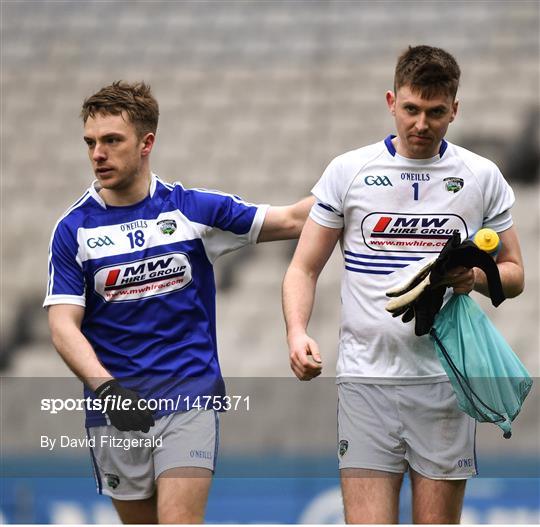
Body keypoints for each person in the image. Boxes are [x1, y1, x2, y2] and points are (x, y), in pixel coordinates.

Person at [44, 80, 313, 524]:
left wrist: (358, 186)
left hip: (188, 396)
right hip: (113, 407)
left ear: (147, 142)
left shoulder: (191, 211)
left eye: (112, 141)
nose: (98, 154)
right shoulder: (73, 230)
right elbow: (62, 326)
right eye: (91, 143)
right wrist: (108, 390)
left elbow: (293, 218)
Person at [282, 45, 524, 524]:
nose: (421, 124)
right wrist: (296, 331)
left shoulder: (480, 176)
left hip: (443, 385)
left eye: (436, 112)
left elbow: (514, 273)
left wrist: (472, 277)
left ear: (454, 109)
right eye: (411, 109)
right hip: (365, 384)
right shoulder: (349, 171)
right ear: (391, 101)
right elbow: (302, 268)